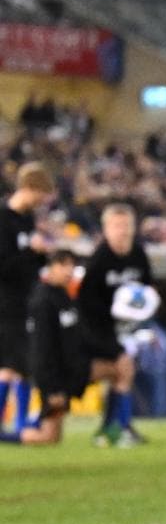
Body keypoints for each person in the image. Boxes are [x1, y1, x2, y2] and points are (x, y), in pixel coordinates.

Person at [78, 203, 153, 447]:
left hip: (125, 328)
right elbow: (86, 303)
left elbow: (148, 290)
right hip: (96, 329)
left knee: (121, 373)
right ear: (106, 229)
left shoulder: (138, 255)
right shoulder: (99, 260)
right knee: (122, 369)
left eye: (126, 226)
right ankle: (121, 427)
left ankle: (111, 429)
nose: (122, 231)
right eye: (117, 226)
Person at [1, 250, 83, 445]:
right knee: (48, 436)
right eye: (63, 265)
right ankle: (9, 434)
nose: (69, 271)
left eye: (71, 266)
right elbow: (42, 348)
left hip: (63, 374)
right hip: (52, 377)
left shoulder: (63, 295)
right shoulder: (43, 300)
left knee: (53, 436)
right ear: (52, 267)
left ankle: (27, 423)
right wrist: (51, 385)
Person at [0, 162, 56, 436]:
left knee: (23, 364)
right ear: (29, 188)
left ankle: (20, 423)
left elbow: (30, 265)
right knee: (9, 365)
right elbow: (5, 266)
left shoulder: (27, 220)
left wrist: (41, 254)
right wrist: (31, 252)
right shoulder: (3, 219)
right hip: (6, 303)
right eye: (40, 195)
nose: (41, 202)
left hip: (27, 301)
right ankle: (8, 424)